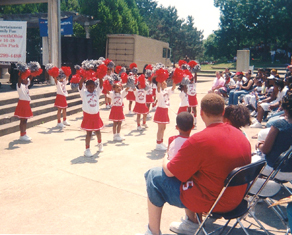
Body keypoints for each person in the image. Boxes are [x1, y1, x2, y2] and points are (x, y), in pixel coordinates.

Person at [137, 93, 251, 235]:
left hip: (212, 202)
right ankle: (191, 222)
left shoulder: (199, 140)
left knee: (153, 176)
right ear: (222, 112)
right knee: (197, 174)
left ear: (201, 113)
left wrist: (165, 157)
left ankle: (153, 231)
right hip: (236, 199)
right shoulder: (240, 135)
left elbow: (169, 172)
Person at [252, 91, 292, 181]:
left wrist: (259, 145)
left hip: (277, 170)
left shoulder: (279, 124)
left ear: (284, 108)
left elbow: (266, 150)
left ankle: (258, 190)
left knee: (250, 162)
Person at [78, 76, 104, 157]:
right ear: (86, 87)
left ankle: (100, 143)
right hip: (88, 116)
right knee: (89, 133)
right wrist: (84, 76)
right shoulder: (84, 94)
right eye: (89, 86)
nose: (91, 88)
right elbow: (80, 85)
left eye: (93, 86)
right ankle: (87, 149)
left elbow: (101, 85)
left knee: (98, 131)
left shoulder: (96, 93)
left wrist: (100, 76)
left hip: (96, 115)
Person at [153, 78, 176, 151]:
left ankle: (161, 141)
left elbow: (173, 88)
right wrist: (159, 81)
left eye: (165, 82)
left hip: (165, 110)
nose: (165, 83)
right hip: (160, 110)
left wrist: (175, 79)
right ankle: (158, 144)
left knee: (164, 128)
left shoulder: (166, 90)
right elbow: (158, 87)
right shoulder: (158, 91)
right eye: (163, 83)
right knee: (160, 128)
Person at [14, 62, 33, 141]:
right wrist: (21, 72)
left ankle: (24, 134)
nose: (27, 79)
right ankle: (22, 134)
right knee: (23, 120)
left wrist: (32, 70)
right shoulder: (20, 86)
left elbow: (30, 77)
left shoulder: (26, 84)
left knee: (25, 120)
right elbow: (19, 80)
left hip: (26, 103)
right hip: (22, 103)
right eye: (25, 78)